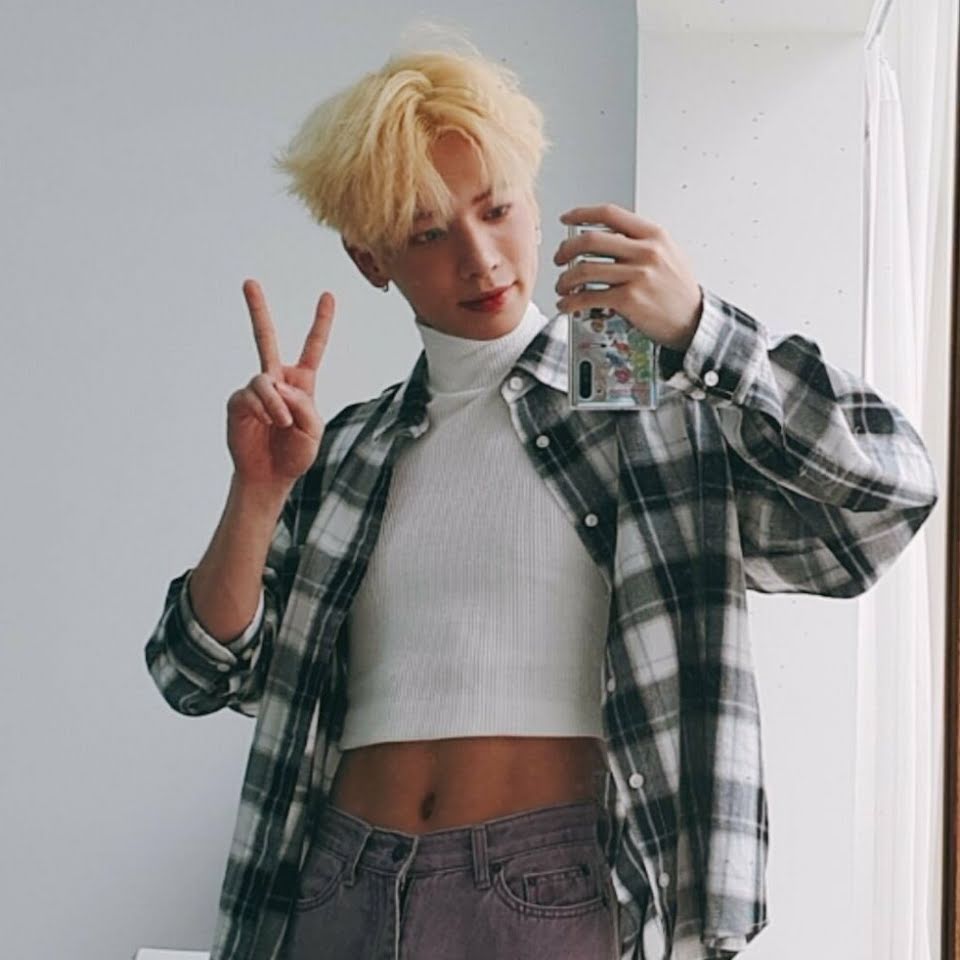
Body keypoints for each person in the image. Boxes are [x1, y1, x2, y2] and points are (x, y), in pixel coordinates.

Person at [145, 41, 938, 960]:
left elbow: (887, 498)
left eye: (497, 210)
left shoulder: (628, 384)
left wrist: (698, 328)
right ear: (370, 260)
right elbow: (197, 674)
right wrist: (256, 494)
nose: (480, 258)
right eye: (427, 233)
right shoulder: (353, 447)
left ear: (532, 198)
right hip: (336, 884)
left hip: (548, 891)